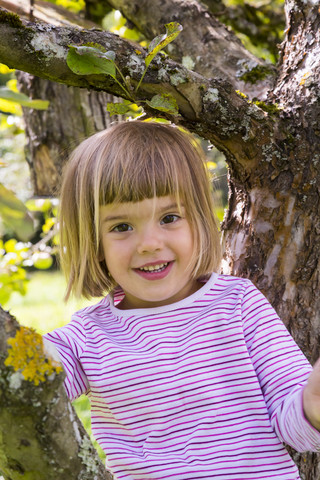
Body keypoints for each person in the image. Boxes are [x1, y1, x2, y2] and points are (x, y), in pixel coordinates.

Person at [44, 121, 320, 480]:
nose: (149, 243)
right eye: (121, 227)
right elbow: (29, 385)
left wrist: (311, 405)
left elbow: (291, 425)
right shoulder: (86, 336)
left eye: (169, 218)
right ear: (94, 241)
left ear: (199, 221)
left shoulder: (237, 305)